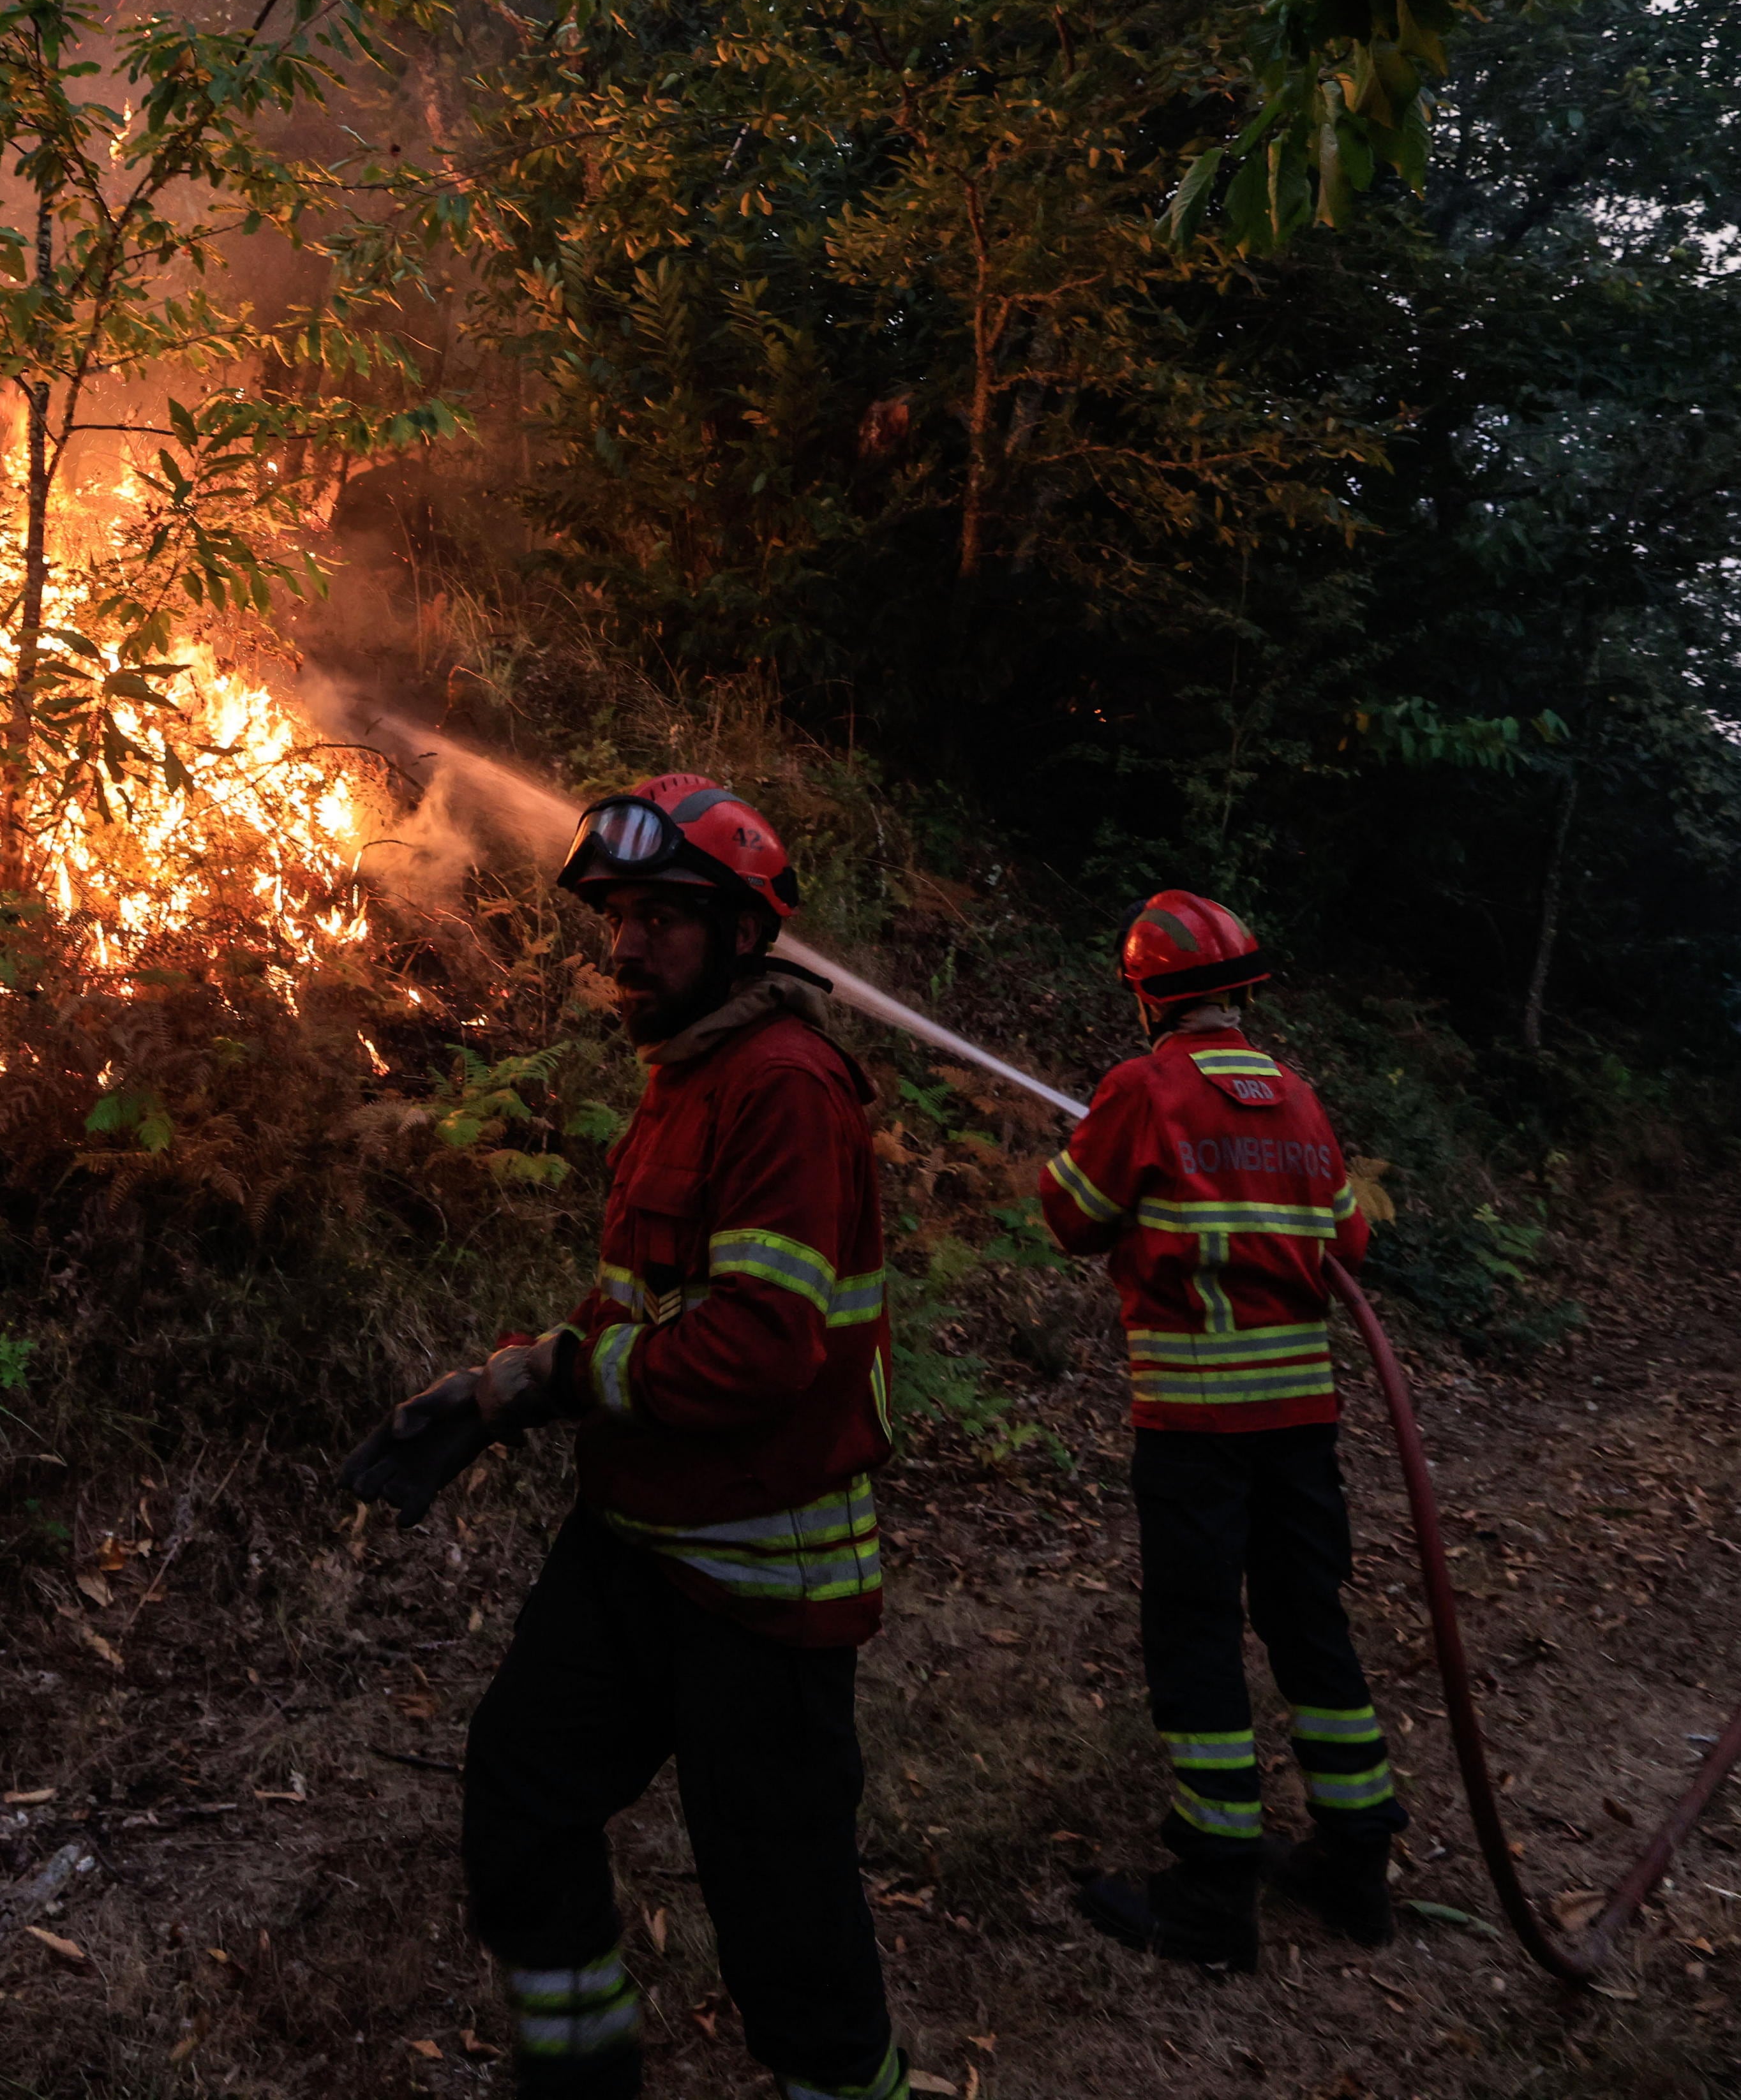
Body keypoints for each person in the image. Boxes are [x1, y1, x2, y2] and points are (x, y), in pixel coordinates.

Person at [352, 774, 909, 2100]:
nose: (627, 940)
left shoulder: (780, 1087)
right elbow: (651, 1302)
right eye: (616, 914)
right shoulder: (691, 1073)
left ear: (738, 933)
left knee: (785, 1921)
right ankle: (580, 2075)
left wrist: (552, 1378)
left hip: (758, 1575)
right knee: (523, 1797)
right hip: (635, 1546)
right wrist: (496, 1387)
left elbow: (761, 1345)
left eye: (664, 915)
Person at [1038, 890, 1402, 1968]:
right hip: (1302, 1427)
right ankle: (1357, 1864)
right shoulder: (1298, 1098)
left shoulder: (1142, 1090)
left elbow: (1066, 1217)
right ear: (1242, 994)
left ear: (1148, 996)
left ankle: (1212, 1894)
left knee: (1196, 1639)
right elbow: (1351, 1242)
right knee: (1308, 1625)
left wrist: (1100, 1145)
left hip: (1197, 1427)